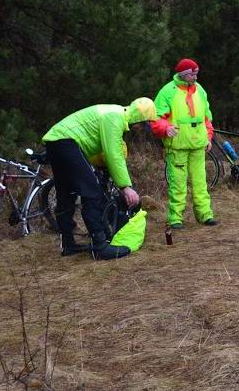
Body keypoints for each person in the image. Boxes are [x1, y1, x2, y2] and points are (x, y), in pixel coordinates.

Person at [42, 98, 158, 260]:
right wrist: (125, 187)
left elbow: (99, 149)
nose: (141, 130)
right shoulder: (114, 117)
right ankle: (100, 246)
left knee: (66, 194)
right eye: (144, 125)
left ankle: (68, 244)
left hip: (56, 141)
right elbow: (113, 154)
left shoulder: (115, 115)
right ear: (139, 118)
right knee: (92, 194)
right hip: (65, 141)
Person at [151, 58, 218, 229]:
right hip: (177, 145)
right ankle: (175, 218)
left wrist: (208, 137)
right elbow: (156, 118)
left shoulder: (200, 90)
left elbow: (206, 117)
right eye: (191, 74)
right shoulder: (167, 92)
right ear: (183, 74)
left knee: (200, 182)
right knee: (178, 183)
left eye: (196, 73)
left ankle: (205, 215)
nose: (195, 77)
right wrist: (165, 128)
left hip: (198, 144)